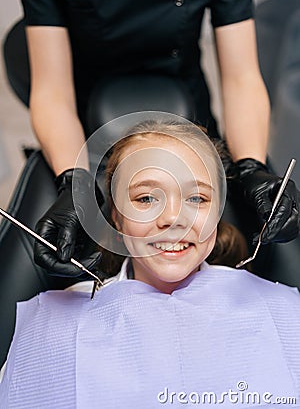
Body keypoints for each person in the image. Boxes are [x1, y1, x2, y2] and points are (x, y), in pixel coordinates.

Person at [14, 0, 299, 276]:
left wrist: (250, 165)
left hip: (189, 116)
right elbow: (51, 90)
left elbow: (242, 78)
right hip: (83, 128)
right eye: (148, 199)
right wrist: (74, 181)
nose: (172, 219)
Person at [1, 117, 299, 408]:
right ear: (116, 217)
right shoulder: (56, 326)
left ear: (217, 214)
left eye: (197, 198)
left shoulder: (281, 312)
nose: (172, 218)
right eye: (146, 199)